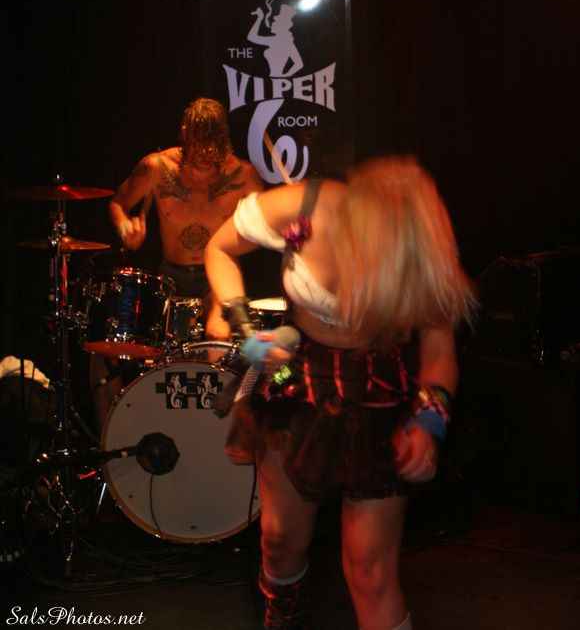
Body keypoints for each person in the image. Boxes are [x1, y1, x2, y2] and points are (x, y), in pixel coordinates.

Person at [204, 154, 476, 630]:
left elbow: (438, 352)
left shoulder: (422, 250)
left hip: (380, 394)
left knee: (370, 569)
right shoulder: (302, 206)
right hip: (297, 382)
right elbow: (220, 248)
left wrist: (430, 422)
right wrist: (244, 329)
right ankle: (284, 615)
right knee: (280, 541)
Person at [89, 97, 263, 432]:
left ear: (224, 140)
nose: (206, 152)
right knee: (108, 351)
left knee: (217, 336)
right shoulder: (156, 167)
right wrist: (125, 228)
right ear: (184, 133)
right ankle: (113, 440)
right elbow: (118, 203)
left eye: (213, 144)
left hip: (216, 275)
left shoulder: (244, 175)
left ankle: (218, 433)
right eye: (198, 143)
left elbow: (264, 225)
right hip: (169, 276)